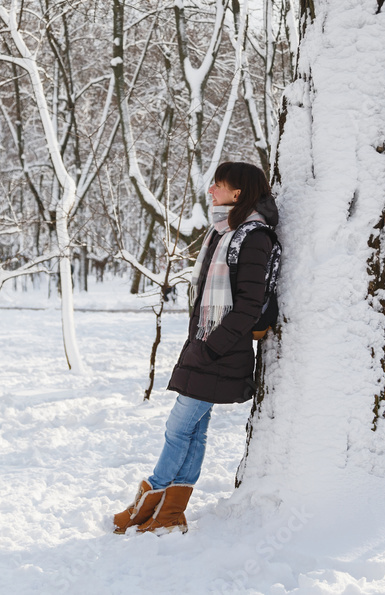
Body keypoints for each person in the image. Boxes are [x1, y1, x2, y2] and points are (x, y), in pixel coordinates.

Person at [113, 161, 278, 535]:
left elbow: (248, 304)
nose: (210, 191)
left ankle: (147, 504)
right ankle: (170, 514)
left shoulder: (253, 237)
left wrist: (211, 347)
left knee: (178, 428)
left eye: (217, 185)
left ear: (237, 193)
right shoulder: (224, 232)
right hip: (205, 346)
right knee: (194, 431)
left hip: (219, 350)